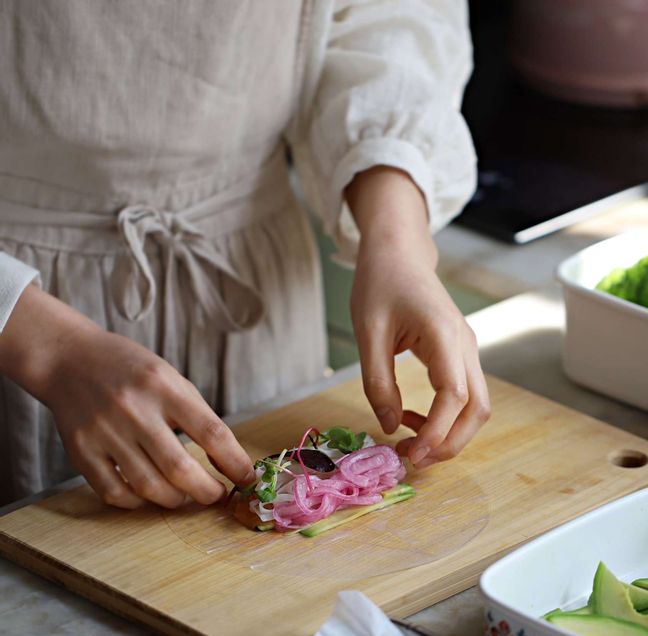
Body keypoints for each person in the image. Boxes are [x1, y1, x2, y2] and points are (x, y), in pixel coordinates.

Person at [0, 0, 490, 509]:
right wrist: (49, 349)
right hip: (19, 314)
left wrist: (397, 242)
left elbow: (384, 22)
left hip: (256, 281)